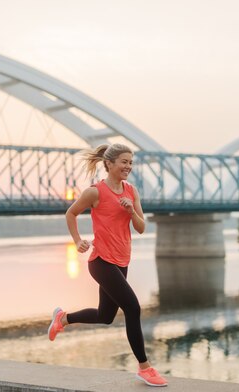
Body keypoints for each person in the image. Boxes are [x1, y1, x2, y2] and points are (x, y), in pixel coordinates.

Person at [47, 143, 168, 387]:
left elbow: (141, 227)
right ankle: (144, 368)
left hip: (122, 260)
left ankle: (63, 318)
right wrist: (78, 241)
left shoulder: (131, 191)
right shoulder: (95, 192)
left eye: (131, 163)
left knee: (106, 316)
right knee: (133, 308)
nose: (128, 167)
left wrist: (131, 210)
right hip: (101, 261)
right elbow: (71, 214)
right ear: (109, 164)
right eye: (124, 162)